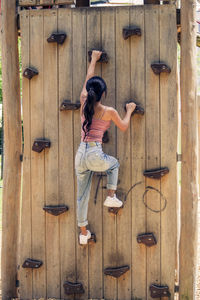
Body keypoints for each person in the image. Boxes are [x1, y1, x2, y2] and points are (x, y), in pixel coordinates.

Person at [75, 50, 136, 244]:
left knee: (81, 195)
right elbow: (124, 126)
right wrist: (129, 111)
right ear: (104, 94)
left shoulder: (84, 101)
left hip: (80, 154)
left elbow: (88, 79)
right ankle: (111, 195)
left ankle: (83, 233)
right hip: (94, 153)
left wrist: (93, 59)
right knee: (114, 164)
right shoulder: (109, 111)